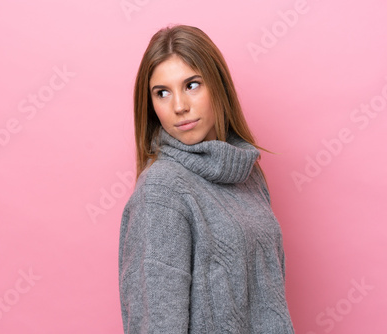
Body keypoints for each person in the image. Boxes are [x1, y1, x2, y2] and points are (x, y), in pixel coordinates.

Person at [118, 24, 294, 334]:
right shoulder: (161, 190)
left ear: (218, 86)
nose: (179, 107)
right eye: (162, 93)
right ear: (151, 105)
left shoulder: (248, 173)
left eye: (192, 85)